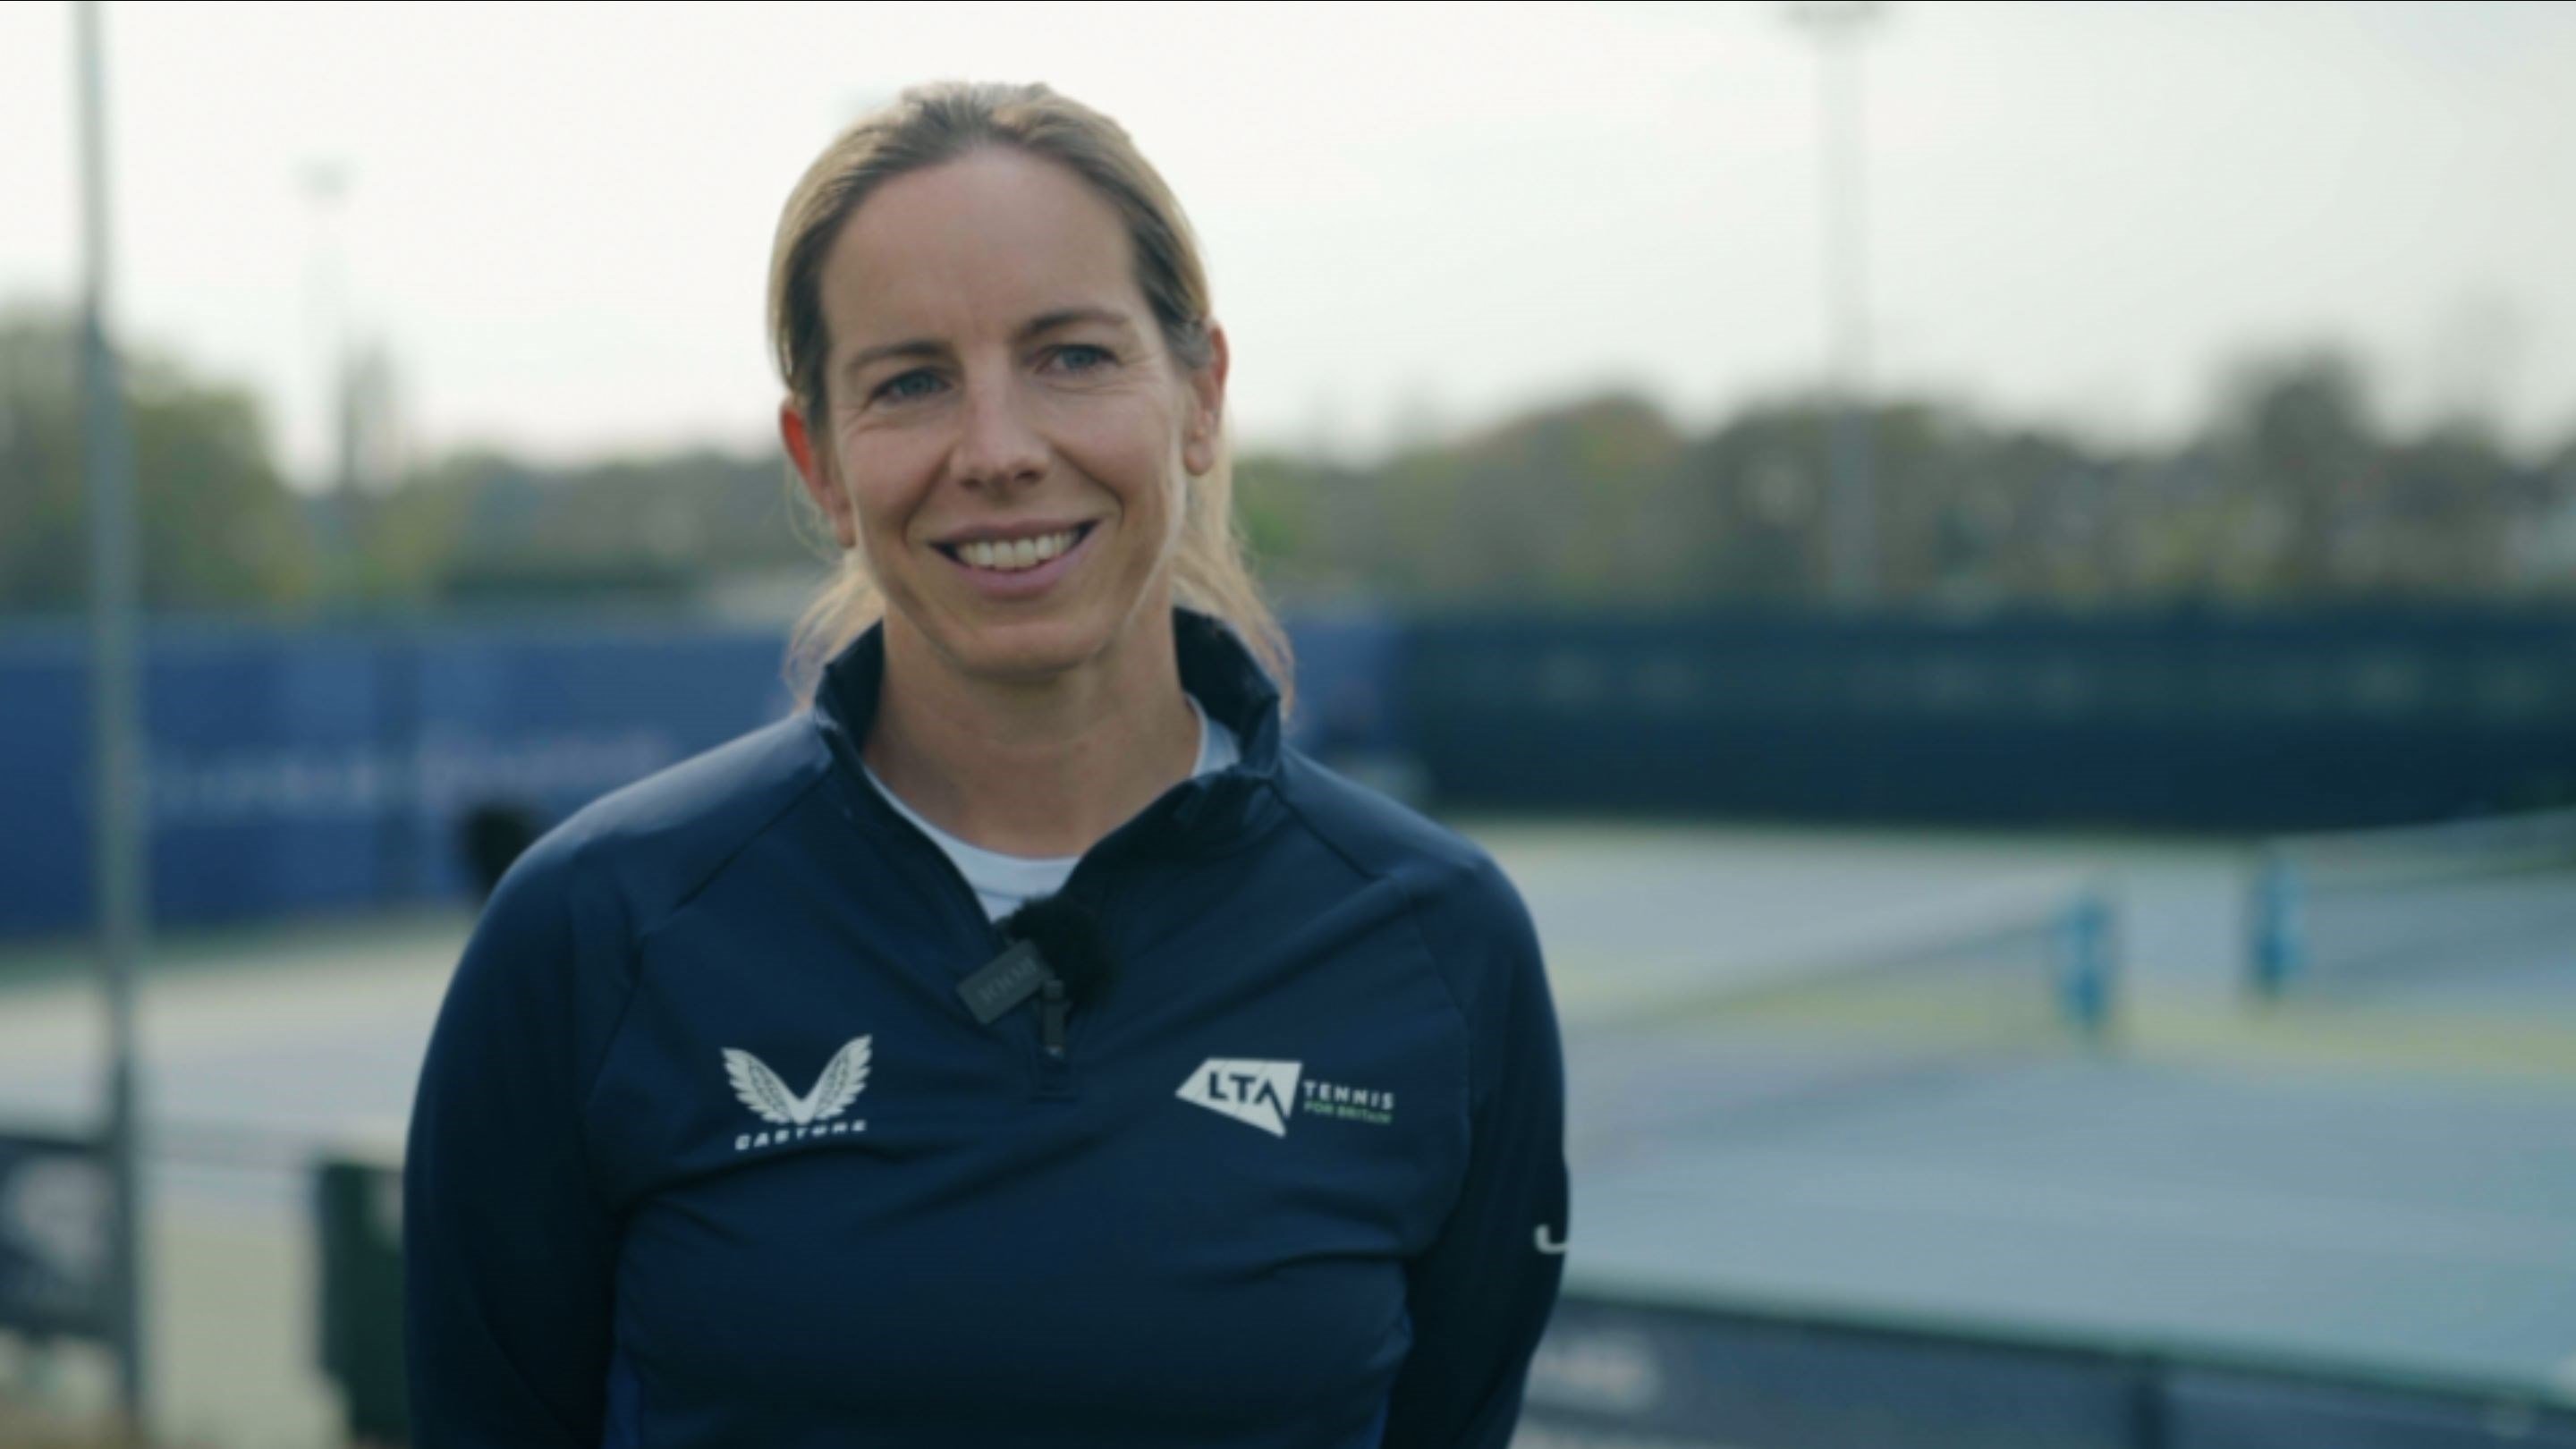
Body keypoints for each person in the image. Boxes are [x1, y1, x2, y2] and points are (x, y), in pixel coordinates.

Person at [402, 80, 1568, 1448]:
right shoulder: (594, 933)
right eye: (911, 382)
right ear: (820, 462)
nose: (1000, 451)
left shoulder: (1442, 945)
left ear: (1199, 398)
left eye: (1071, 356)